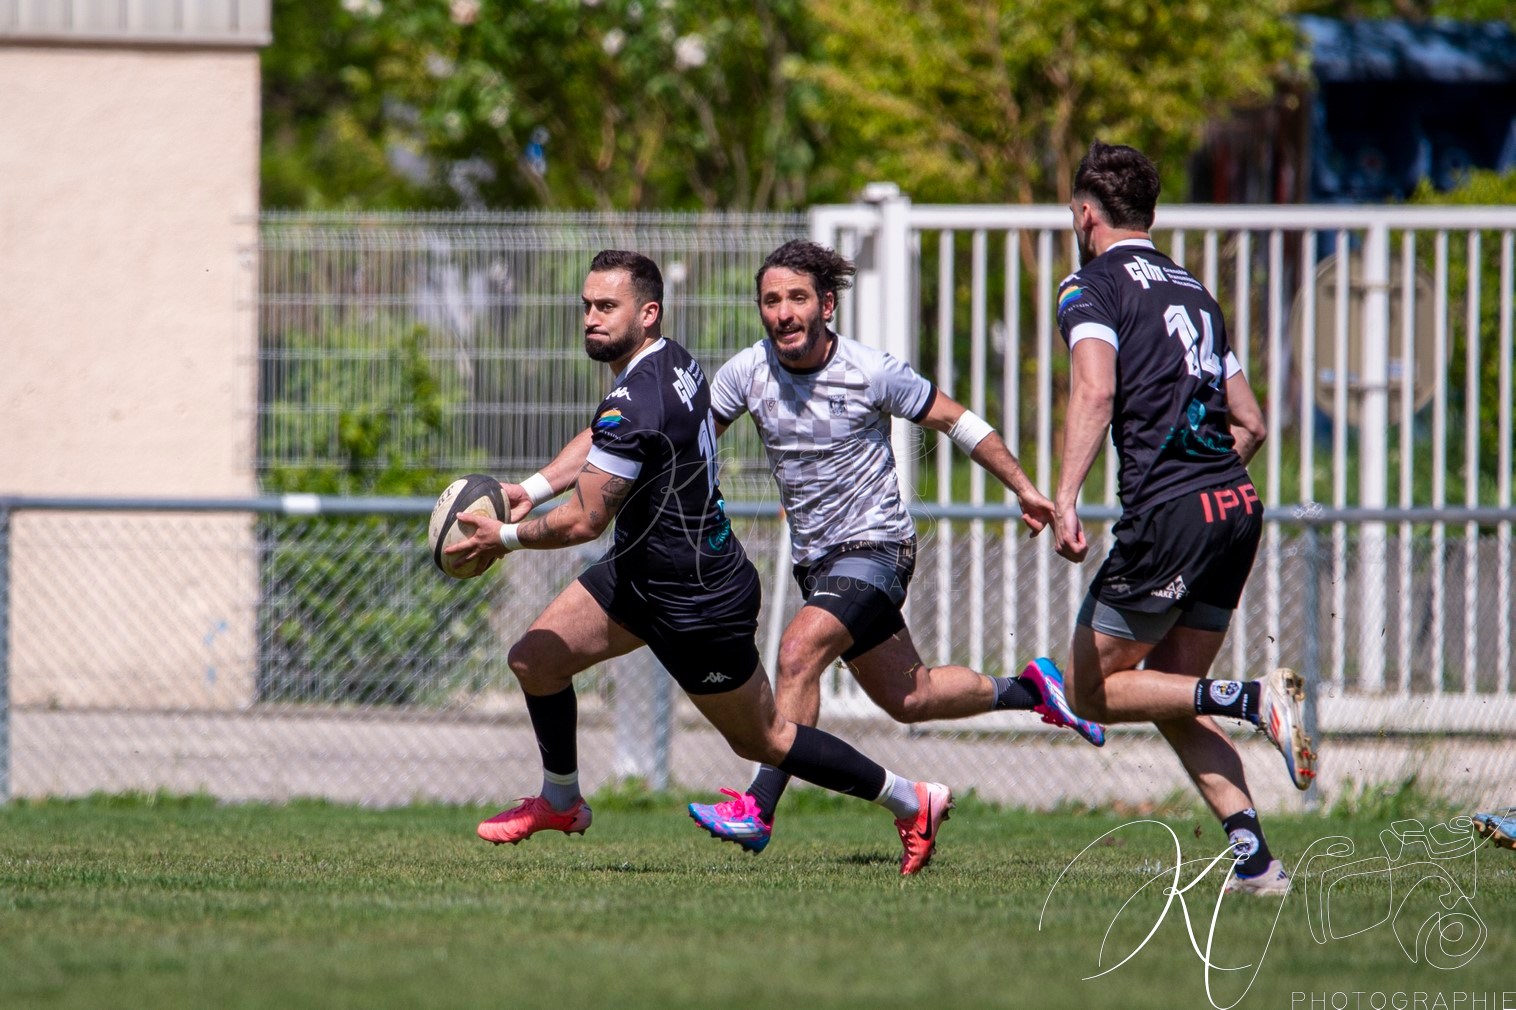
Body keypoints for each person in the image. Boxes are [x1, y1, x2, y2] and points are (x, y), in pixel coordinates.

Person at [446, 249, 953, 876]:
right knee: (534, 661)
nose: (591, 320)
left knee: (764, 738)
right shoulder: (668, 363)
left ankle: (912, 799)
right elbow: (605, 441)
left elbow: (586, 520)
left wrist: (505, 535)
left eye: (607, 307)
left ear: (648, 312)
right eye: (587, 307)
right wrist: (533, 487)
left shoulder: (638, 401)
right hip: (639, 576)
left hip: (697, 600)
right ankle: (561, 799)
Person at [685, 239, 1106, 856]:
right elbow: (693, 438)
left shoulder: (869, 370)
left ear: (826, 304)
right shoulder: (746, 372)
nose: (783, 312)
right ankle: (1033, 688)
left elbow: (958, 420)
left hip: (877, 549)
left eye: (797, 298)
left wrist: (1025, 489)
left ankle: (760, 807)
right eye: (770, 301)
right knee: (910, 696)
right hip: (816, 562)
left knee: (798, 653)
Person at [1049, 141, 1317, 896]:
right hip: (1235, 505)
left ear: (1085, 214)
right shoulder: (1195, 291)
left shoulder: (1089, 286)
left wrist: (1066, 497)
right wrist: (1210, 480)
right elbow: (1253, 423)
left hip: (1172, 511)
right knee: (1168, 693)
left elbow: (1095, 392)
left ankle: (1248, 698)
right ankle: (1258, 864)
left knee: (1091, 691)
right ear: (1152, 215)